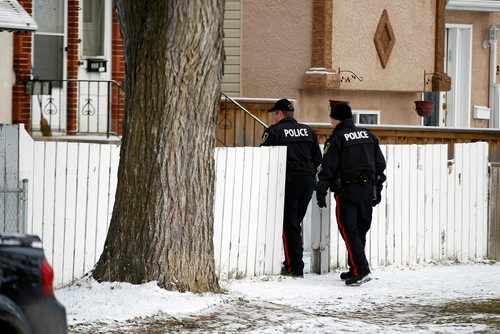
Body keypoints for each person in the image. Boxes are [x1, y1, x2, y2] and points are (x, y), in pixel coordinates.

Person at [316, 102, 386, 286]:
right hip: (367, 189)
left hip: (347, 190)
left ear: (336, 118)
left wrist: (321, 190)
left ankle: (362, 270)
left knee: (348, 229)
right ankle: (355, 267)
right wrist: (378, 187)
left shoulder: (337, 138)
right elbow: (380, 165)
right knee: (360, 229)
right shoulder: (368, 135)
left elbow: (328, 166)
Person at [261, 98, 322, 277]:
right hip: (308, 182)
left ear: (280, 114)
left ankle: (294, 267)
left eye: (274, 114)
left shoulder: (274, 131)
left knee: (289, 225)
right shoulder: (308, 131)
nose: (273, 117)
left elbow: (266, 157)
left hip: (288, 182)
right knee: (295, 223)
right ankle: (293, 262)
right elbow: (317, 158)